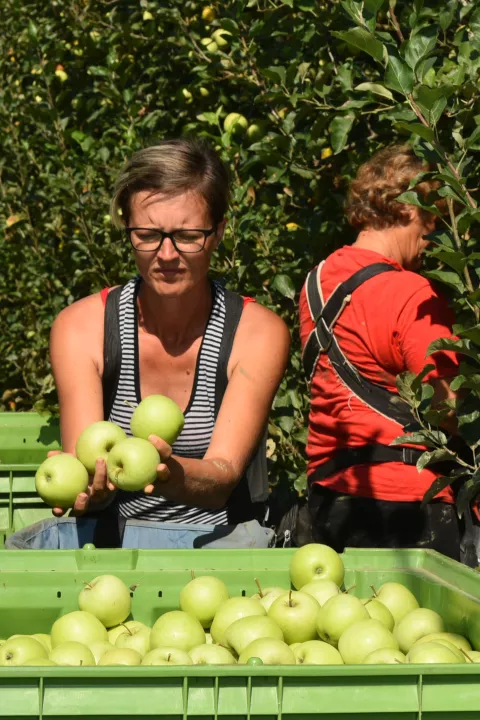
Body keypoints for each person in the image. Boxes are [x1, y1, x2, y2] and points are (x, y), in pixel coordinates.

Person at [47, 137, 290, 546]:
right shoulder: (81, 328)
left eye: (188, 235)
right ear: (127, 229)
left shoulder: (256, 332)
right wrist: (90, 486)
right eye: (148, 234)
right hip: (116, 551)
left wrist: (166, 473)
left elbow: (223, 476)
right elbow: (88, 466)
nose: (167, 254)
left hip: (224, 548)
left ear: (217, 233)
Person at [299, 145, 464, 560]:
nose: (432, 237)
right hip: (406, 503)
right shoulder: (413, 293)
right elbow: (447, 407)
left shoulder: (315, 283)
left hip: (329, 496)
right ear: (409, 209)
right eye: (433, 219)